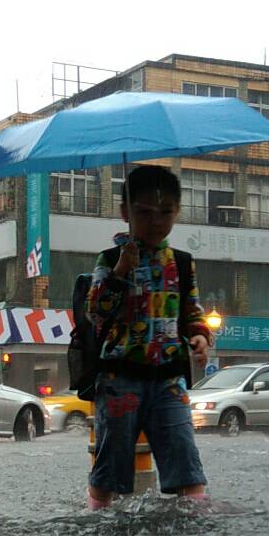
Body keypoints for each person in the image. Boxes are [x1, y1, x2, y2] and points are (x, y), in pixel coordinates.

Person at [84, 165, 212, 509]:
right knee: (109, 470)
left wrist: (200, 336)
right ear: (125, 212)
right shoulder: (110, 259)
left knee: (186, 463)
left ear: (177, 211)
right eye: (144, 213)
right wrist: (120, 272)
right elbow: (95, 310)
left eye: (165, 212)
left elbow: (191, 311)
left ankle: (195, 520)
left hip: (169, 380)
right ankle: (97, 518)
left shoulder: (182, 263)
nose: (156, 221)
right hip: (119, 380)